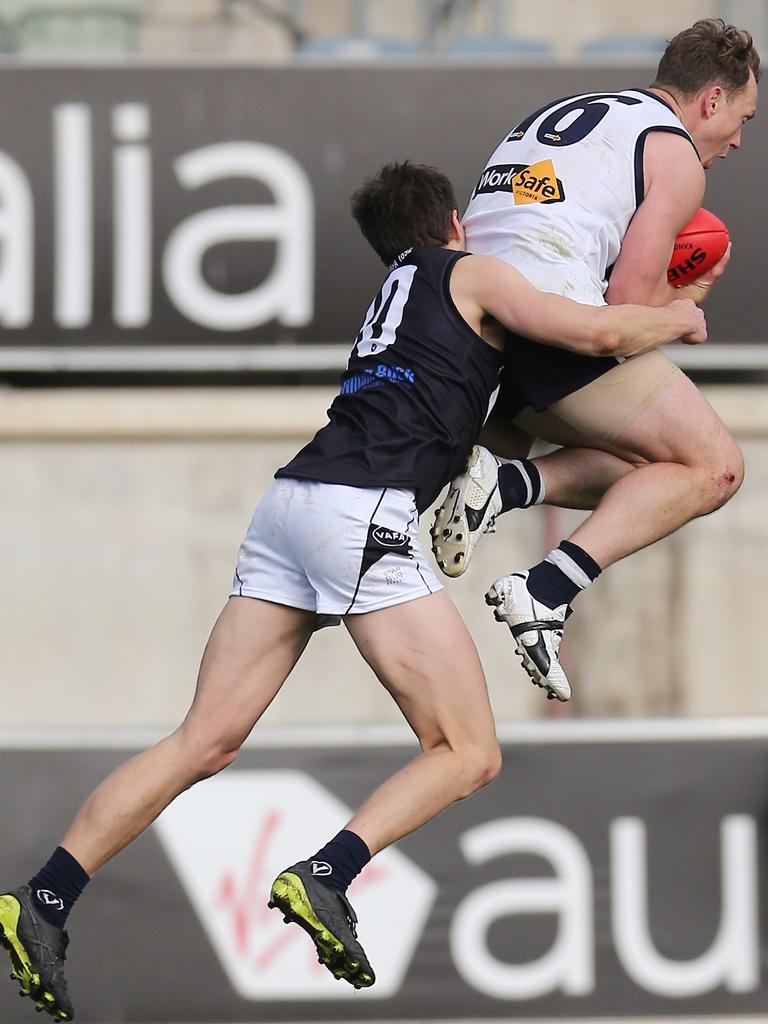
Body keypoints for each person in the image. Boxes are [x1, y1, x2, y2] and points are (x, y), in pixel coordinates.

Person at [0, 162, 705, 1021]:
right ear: (456, 220)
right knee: (467, 752)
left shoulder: (394, 303)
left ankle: (45, 896)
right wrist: (672, 315)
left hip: (288, 506)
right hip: (360, 517)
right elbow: (592, 336)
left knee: (203, 741)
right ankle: (325, 875)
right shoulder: (469, 271)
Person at [432, 18, 759, 701]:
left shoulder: (569, 114)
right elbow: (624, 310)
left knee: (651, 475)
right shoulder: (672, 158)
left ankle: (506, 484)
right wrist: (684, 303)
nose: (736, 140)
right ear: (711, 99)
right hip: (549, 316)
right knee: (715, 467)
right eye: (741, 118)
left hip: (473, 325)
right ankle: (545, 592)